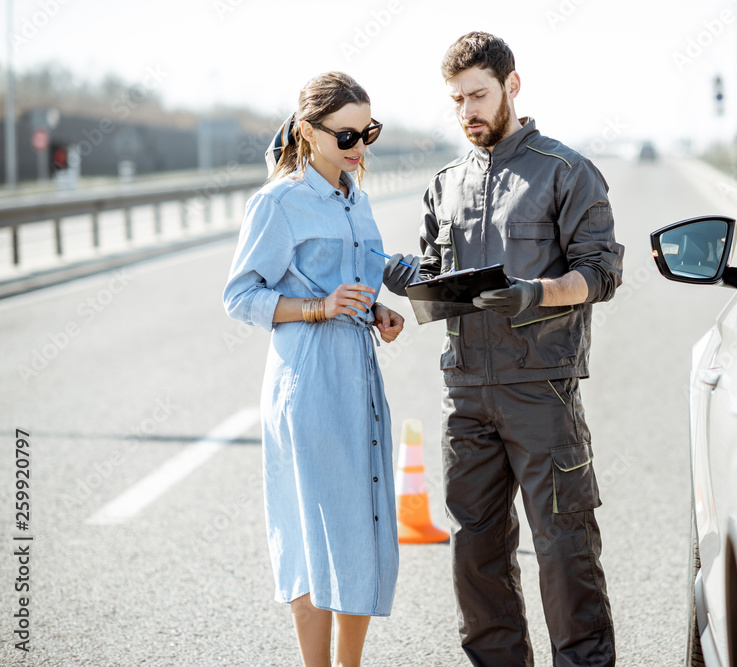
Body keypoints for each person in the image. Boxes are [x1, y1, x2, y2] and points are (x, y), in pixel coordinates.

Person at [382, 32, 624, 667]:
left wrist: (535, 294)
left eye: (479, 96)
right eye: (457, 100)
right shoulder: (446, 184)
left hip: (540, 389)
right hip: (464, 391)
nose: (467, 112)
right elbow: (435, 275)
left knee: (563, 544)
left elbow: (600, 274)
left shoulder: (566, 171)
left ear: (513, 86)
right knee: (476, 551)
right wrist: (392, 271)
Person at [223, 71, 405, 667]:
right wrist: (318, 308)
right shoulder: (278, 203)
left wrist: (373, 308)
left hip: (359, 374)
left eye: (368, 132)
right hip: (307, 383)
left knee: (364, 523)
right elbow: (240, 297)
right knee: (312, 534)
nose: (359, 146)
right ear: (308, 131)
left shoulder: (360, 199)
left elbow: (357, 276)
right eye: (346, 134)